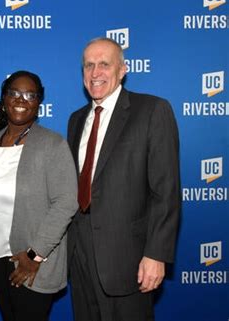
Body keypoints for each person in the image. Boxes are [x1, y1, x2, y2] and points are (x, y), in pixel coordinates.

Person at [67, 37, 181, 321]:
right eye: (89, 66)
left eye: (104, 64)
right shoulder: (76, 119)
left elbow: (165, 191)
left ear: (122, 70)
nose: (95, 73)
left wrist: (156, 255)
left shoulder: (153, 111)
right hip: (79, 255)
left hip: (128, 258)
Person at [0, 71, 78, 321]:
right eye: (14, 93)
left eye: (30, 95)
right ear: (3, 99)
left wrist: (34, 254)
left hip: (31, 260)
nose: (21, 99)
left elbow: (66, 203)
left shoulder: (52, 144)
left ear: (39, 103)